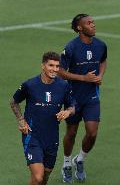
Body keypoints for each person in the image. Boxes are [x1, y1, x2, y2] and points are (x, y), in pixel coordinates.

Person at [10, 52, 75, 185]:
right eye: (51, 65)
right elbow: (14, 101)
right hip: (32, 136)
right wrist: (21, 120)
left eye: (57, 66)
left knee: (43, 178)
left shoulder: (63, 86)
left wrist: (68, 112)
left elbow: (73, 106)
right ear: (43, 66)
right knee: (38, 177)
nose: (55, 69)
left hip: (52, 138)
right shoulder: (30, 85)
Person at [58, 13, 107, 182]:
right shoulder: (71, 48)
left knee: (92, 133)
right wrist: (83, 78)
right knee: (71, 133)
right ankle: (66, 164)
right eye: (89, 23)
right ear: (80, 28)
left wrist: (100, 75)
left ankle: (79, 159)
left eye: (93, 22)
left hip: (92, 96)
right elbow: (60, 72)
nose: (93, 25)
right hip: (72, 98)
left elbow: (103, 61)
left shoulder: (101, 45)